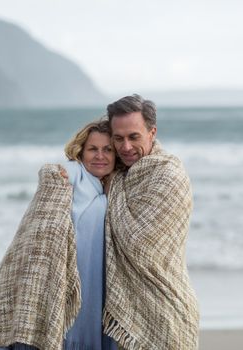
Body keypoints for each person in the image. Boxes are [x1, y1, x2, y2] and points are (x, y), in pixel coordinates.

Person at [0, 119, 119, 350]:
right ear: (80, 151)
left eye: (108, 149)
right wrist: (53, 172)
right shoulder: (77, 174)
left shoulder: (111, 187)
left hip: (94, 283)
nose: (100, 156)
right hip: (63, 277)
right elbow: (54, 170)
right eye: (93, 149)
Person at [101, 94, 200, 349]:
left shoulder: (168, 175)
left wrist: (112, 192)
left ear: (151, 132)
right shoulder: (117, 173)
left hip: (166, 310)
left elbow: (140, 244)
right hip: (125, 319)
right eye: (118, 138)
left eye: (134, 137)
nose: (125, 147)